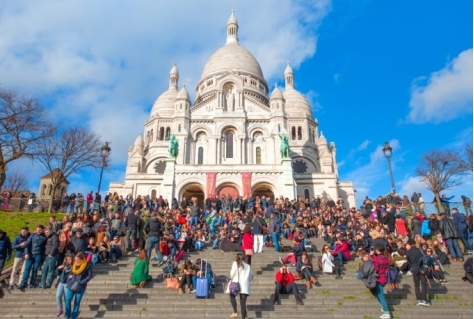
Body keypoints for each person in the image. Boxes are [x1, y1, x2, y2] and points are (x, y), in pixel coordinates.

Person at [65, 252, 93, 319]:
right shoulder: (74, 264)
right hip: (71, 284)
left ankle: (73, 316)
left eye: (77, 260)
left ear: (81, 259)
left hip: (81, 285)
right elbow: (71, 272)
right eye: (75, 259)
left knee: (77, 302)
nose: (76, 261)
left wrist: (82, 281)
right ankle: (67, 314)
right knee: (68, 299)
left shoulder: (87, 265)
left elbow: (90, 275)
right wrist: (70, 277)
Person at [18, 225, 47, 290]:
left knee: (35, 269)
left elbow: (46, 247)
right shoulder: (33, 235)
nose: (38, 231)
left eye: (40, 230)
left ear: (42, 230)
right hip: (30, 254)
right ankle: (23, 283)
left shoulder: (45, 237)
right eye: (37, 230)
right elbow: (27, 244)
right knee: (27, 269)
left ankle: (32, 283)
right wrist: (26, 253)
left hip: (39, 255)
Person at [225, 253, 252, 319]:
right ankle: (243, 317)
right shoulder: (248, 266)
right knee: (243, 303)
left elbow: (231, 274)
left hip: (236, 284)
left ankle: (235, 312)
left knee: (232, 296)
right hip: (245, 286)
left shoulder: (235, 263)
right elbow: (250, 277)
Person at [405, 239, 430, 306]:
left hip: (414, 268)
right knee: (423, 284)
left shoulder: (408, 252)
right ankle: (424, 300)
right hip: (422, 268)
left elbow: (409, 261)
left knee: (416, 284)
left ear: (409, 244)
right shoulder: (420, 250)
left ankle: (418, 299)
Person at [370, 245, 391, 319]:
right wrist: (372, 256)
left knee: (380, 295)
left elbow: (375, 268)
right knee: (379, 294)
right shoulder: (385, 257)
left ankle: (386, 311)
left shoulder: (377, 259)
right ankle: (383, 307)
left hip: (379, 278)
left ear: (377, 250)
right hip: (384, 277)